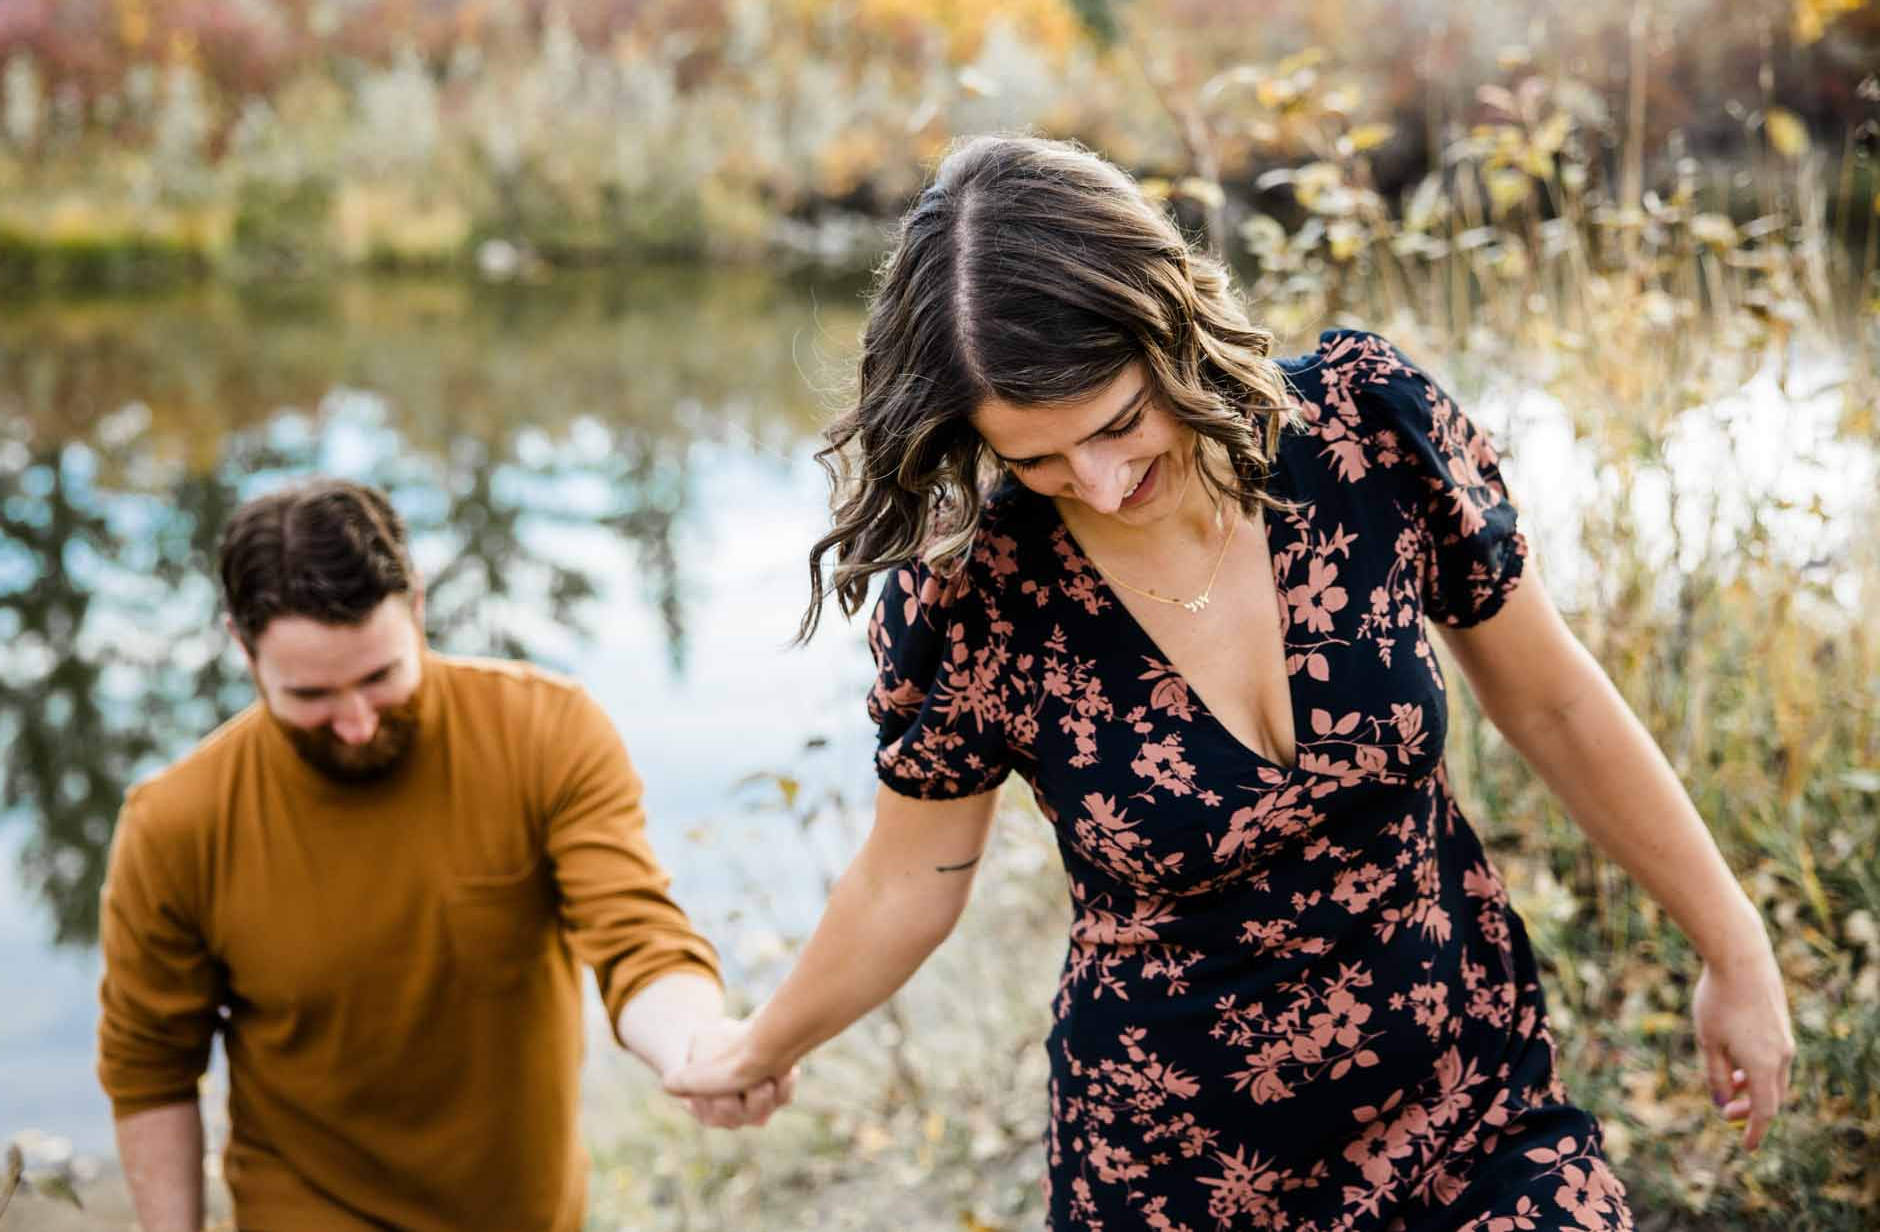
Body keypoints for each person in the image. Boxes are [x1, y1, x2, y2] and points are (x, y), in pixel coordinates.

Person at [665, 136, 1796, 1229]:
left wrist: (1730, 945)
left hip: (1467, 1101)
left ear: (1171, 324)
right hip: (1176, 1170)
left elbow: (1553, 703)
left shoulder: (1365, 431)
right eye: (1037, 458)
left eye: (1118, 422)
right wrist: (759, 1046)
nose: (1100, 484)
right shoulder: (977, 601)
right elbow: (905, 883)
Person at [96, 478, 789, 1231]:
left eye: (380, 676)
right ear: (242, 646)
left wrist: (699, 1045)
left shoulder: (546, 734)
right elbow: (151, 1069)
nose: (357, 722)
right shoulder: (174, 824)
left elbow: (638, 938)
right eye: (311, 694)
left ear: (418, 607)